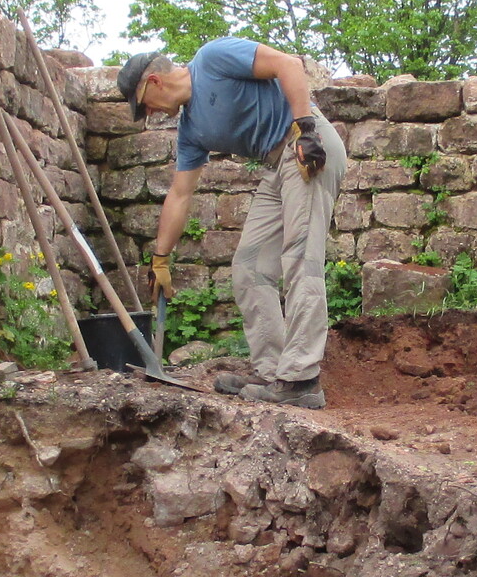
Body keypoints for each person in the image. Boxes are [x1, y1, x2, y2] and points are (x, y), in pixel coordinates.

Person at [116, 38, 347, 408]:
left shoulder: (212, 59)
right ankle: (274, 373)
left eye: (145, 105)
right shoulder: (191, 130)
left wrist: (305, 130)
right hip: (276, 164)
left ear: (155, 81)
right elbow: (180, 194)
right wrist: (160, 258)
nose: (151, 114)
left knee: (301, 258)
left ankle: (301, 379)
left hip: (305, 146)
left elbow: (287, 64)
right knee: (249, 267)